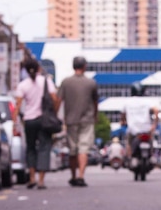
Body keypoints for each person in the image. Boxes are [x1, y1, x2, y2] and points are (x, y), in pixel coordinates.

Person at [14, 57, 58, 190]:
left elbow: (17, 105)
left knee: (31, 148)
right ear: (39, 68)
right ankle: (41, 180)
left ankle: (32, 177)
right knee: (44, 148)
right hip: (44, 120)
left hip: (29, 120)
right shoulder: (46, 81)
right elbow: (54, 99)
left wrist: (14, 122)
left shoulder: (23, 85)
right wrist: (53, 113)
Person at [57, 56, 99, 187]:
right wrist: (95, 116)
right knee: (83, 148)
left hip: (70, 120)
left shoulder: (66, 82)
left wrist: (56, 116)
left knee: (73, 149)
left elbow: (59, 100)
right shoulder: (91, 83)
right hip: (87, 120)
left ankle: (73, 176)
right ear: (84, 66)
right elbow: (95, 102)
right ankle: (81, 175)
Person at [121, 102, 157, 166]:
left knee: (129, 143)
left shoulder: (127, 103)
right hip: (146, 130)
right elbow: (156, 110)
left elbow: (123, 115)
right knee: (151, 140)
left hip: (133, 130)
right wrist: (154, 124)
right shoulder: (147, 102)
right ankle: (151, 155)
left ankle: (131, 157)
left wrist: (123, 121)